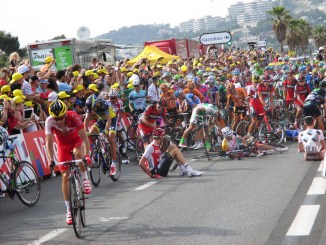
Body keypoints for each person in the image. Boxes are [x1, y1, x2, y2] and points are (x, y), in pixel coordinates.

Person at [45, 99, 92, 225]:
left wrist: (87, 156)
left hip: (76, 141)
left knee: (78, 154)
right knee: (65, 176)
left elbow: (85, 139)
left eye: (61, 118)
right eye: (56, 118)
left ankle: (85, 177)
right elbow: (48, 142)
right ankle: (69, 210)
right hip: (63, 146)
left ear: (65, 114)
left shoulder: (74, 117)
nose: (58, 121)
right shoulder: (49, 121)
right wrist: (51, 159)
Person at [139, 127, 204, 178]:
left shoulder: (158, 145)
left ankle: (183, 169)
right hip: (156, 171)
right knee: (174, 150)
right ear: (159, 137)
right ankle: (189, 170)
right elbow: (141, 163)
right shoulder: (150, 147)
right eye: (163, 136)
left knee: (173, 147)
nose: (164, 137)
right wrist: (151, 175)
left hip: (159, 167)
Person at [84, 94, 118, 175]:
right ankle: (100, 149)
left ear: (96, 103)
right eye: (91, 109)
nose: (93, 111)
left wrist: (106, 130)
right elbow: (86, 121)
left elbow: (109, 120)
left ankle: (114, 163)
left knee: (110, 138)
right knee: (92, 132)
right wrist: (86, 132)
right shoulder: (90, 108)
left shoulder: (103, 104)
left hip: (111, 120)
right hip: (101, 120)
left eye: (94, 108)